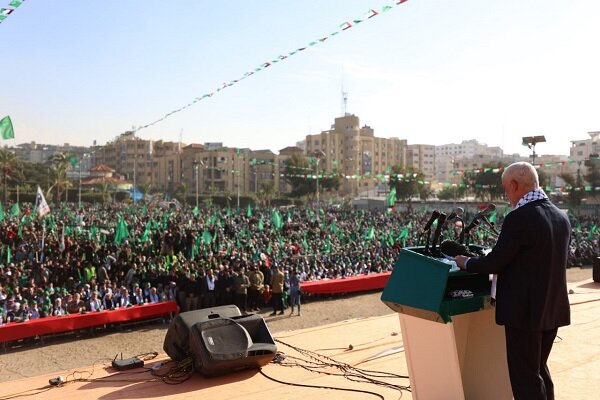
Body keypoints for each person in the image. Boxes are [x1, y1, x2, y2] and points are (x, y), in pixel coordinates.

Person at [454, 162, 571, 400]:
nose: (507, 196)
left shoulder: (519, 218)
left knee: (525, 379)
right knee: (539, 370)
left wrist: (465, 262)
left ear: (515, 185)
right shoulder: (561, 217)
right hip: (552, 309)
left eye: (507, 189)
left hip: (525, 313)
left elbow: (496, 262)